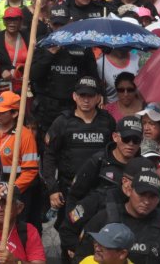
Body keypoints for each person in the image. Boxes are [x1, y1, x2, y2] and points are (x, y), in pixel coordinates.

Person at [73, 157, 160, 264]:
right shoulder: (103, 218)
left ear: (159, 198)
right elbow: (81, 256)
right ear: (129, 191)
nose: (147, 201)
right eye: (142, 194)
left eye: (152, 196)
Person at [44, 76, 117, 218]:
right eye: (82, 95)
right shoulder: (62, 122)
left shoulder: (107, 121)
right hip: (71, 190)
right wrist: (52, 189)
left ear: (98, 98)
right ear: (74, 96)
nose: (86, 100)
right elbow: (49, 156)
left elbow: (116, 153)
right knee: (69, 231)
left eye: (90, 95)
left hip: (100, 189)